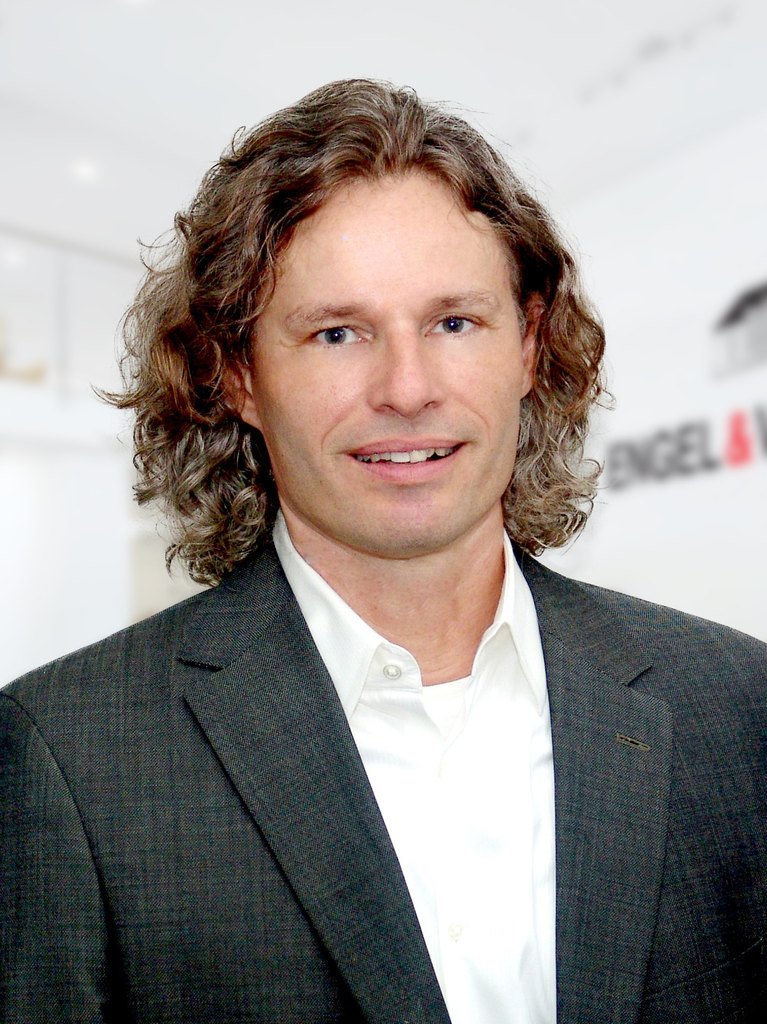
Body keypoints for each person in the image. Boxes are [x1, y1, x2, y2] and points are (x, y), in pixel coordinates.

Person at [1, 79, 765, 1024]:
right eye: (337, 333)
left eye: (453, 322)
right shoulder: (69, 757)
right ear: (237, 375)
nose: (406, 388)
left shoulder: (736, 706)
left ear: (528, 345)